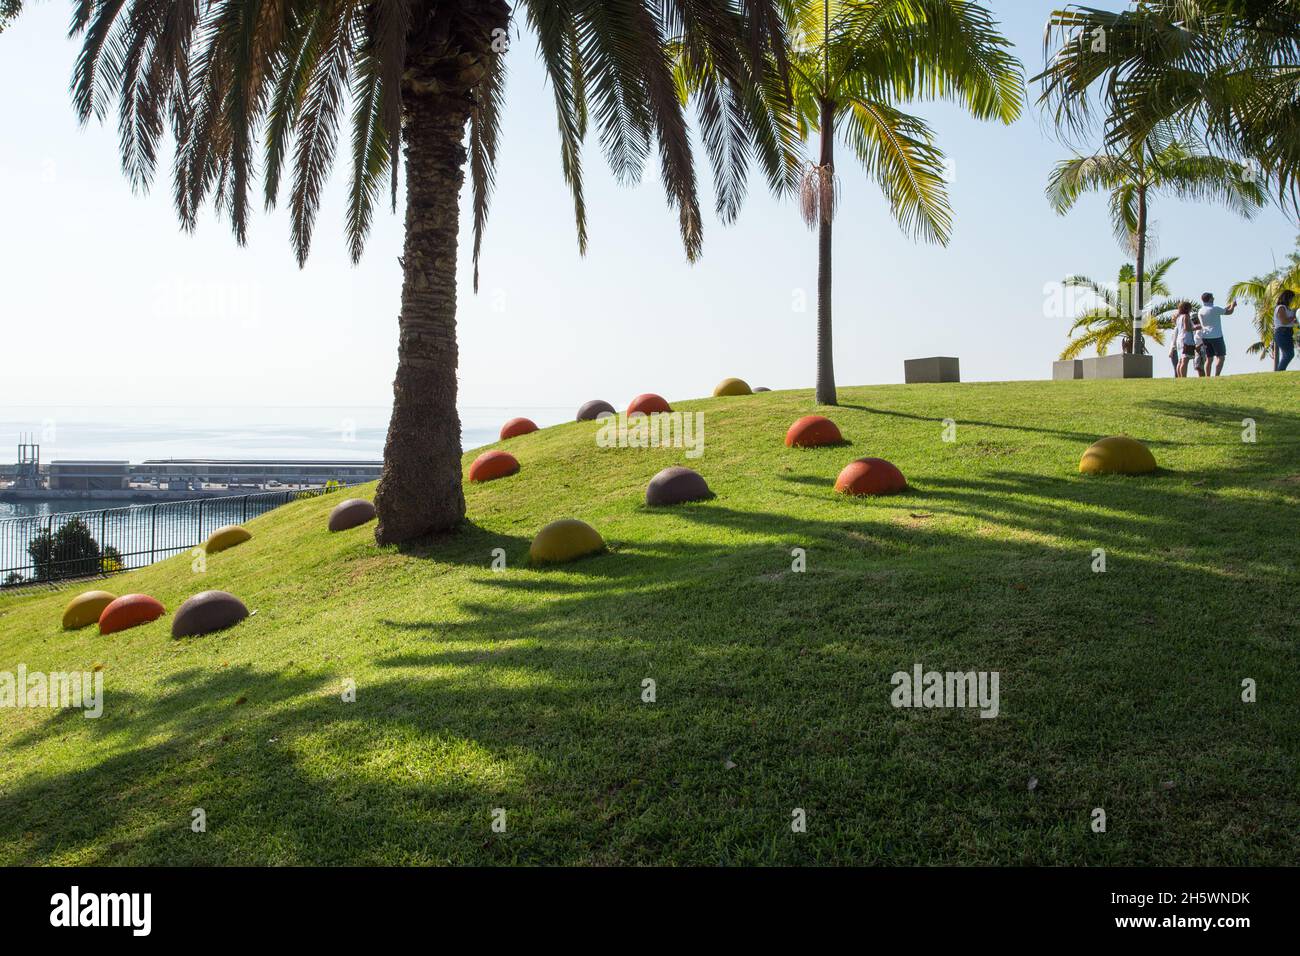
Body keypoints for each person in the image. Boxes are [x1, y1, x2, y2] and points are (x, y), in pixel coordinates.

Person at [1197, 292, 1237, 376]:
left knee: (1209, 358)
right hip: (1216, 336)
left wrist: (1229, 305)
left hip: (1205, 337)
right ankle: (1217, 375)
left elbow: (1222, 310)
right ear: (1210, 299)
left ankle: (1208, 377)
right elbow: (1229, 312)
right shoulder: (1215, 309)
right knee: (1221, 357)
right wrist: (1233, 306)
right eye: (1212, 297)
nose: (1214, 298)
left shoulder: (1201, 310)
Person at [1171, 302, 1199, 378]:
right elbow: (1187, 328)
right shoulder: (1186, 316)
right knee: (1185, 360)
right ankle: (1183, 377)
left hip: (1179, 340)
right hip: (1186, 339)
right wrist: (1197, 327)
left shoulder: (1178, 317)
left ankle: (1180, 377)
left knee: (1180, 361)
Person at [1274, 289, 1296, 371]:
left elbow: (1291, 321)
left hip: (1288, 333)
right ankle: (1279, 371)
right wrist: (1293, 317)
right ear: (1287, 298)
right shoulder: (1281, 308)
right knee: (1289, 354)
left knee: (1287, 355)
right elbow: (1284, 321)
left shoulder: (1288, 309)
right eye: (1291, 298)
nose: (1292, 300)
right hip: (1282, 333)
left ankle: (1280, 372)